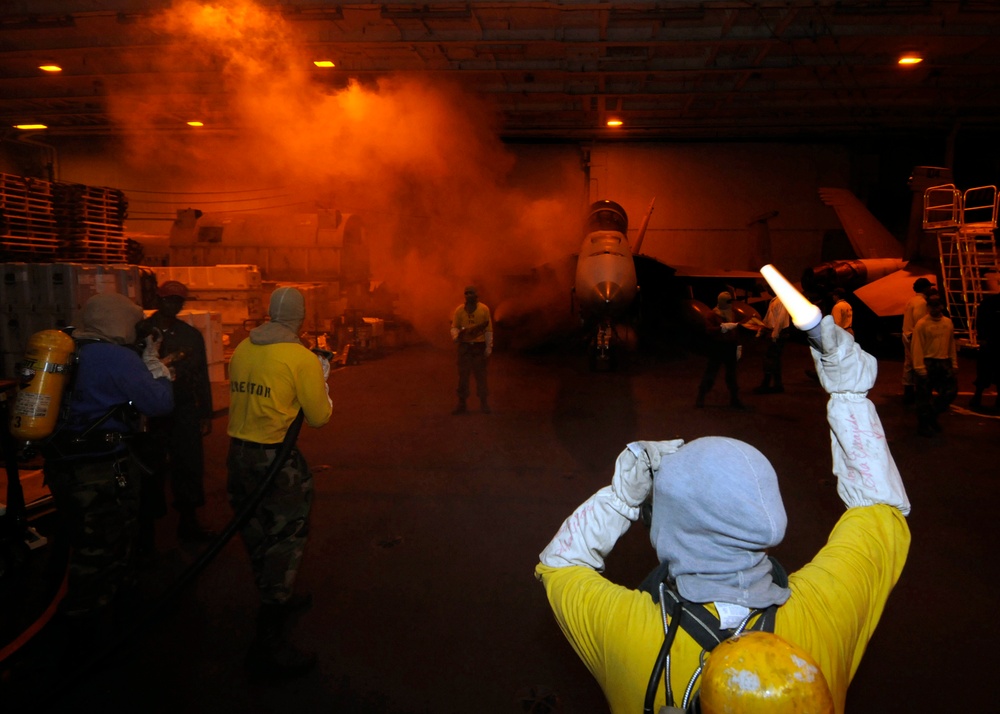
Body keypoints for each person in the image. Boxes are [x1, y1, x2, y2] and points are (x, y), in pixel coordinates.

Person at [536, 314, 910, 714]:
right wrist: (848, 391)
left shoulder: (625, 632)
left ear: (670, 528)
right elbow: (880, 506)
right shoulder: (829, 610)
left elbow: (559, 564)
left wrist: (622, 498)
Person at [42, 293, 174, 632]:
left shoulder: (71, 349)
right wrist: (156, 367)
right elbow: (158, 404)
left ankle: (99, 612)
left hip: (63, 464)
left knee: (83, 538)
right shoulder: (115, 357)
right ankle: (87, 628)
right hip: (101, 468)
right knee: (103, 547)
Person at [226, 286, 333, 678]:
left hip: (238, 455)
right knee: (286, 536)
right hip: (275, 459)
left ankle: (275, 591)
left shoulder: (241, 348)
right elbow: (319, 417)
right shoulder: (299, 357)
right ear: (301, 317)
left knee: (254, 528)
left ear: (269, 313)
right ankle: (269, 641)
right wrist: (320, 379)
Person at [135, 280, 215, 550]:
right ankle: (147, 533)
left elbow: (201, 375)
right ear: (158, 300)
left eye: (178, 301)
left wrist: (205, 412)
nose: (174, 305)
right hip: (151, 410)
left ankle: (188, 523)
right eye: (169, 299)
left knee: (188, 465)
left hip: (182, 408)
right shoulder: (141, 331)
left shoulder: (190, 335)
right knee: (149, 468)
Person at [912, 292, 958, 436]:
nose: (933, 308)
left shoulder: (947, 323)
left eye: (936, 305)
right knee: (924, 396)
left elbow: (951, 344)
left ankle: (931, 416)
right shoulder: (922, 324)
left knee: (950, 392)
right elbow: (917, 346)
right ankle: (924, 424)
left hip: (943, 361)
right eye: (930, 305)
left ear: (942, 306)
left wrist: (953, 363)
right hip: (928, 361)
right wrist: (920, 367)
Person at [696, 291, 744, 409]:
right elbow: (708, 330)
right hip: (718, 347)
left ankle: (734, 399)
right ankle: (701, 396)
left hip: (730, 347)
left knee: (731, 375)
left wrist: (738, 345)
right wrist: (721, 328)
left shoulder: (731, 313)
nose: (730, 304)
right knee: (711, 372)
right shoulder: (712, 315)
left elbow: (735, 330)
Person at [450, 285, 493, 414]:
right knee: (463, 376)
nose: (468, 295)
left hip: (478, 347)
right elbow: (454, 327)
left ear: (476, 295)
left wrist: (488, 347)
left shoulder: (484, 309)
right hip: (465, 348)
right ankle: (462, 404)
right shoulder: (459, 310)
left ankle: (484, 404)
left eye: (471, 293)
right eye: (466, 293)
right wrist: (456, 336)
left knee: (481, 376)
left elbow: (488, 329)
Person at [901, 277, 935, 404]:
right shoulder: (921, 303)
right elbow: (920, 322)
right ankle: (919, 392)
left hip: (906, 333)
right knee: (919, 364)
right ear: (925, 288)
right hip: (914, 336)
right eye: (929, 287)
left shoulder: (911, 300)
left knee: (909, 364)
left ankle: (908, 391)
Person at [970, 285, 1000, 413]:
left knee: (985, 371)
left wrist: (982, 337)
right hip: (991, 342)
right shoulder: (990, 303)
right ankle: (979, 397)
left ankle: (978, 397)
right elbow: (981, 321)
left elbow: (980, 321)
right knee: (986, 371)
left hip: (990, 342)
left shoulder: (988, 302)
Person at [754, 294, 791, 394]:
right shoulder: (776, 300)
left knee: (771, 357)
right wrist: (762, 329)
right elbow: (769, 317)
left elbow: (780, 319)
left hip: (778, 332)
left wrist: (775, 333)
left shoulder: (781, 300)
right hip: (776, 331)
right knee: (774, 358)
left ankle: (768, 384)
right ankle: (776, 384)